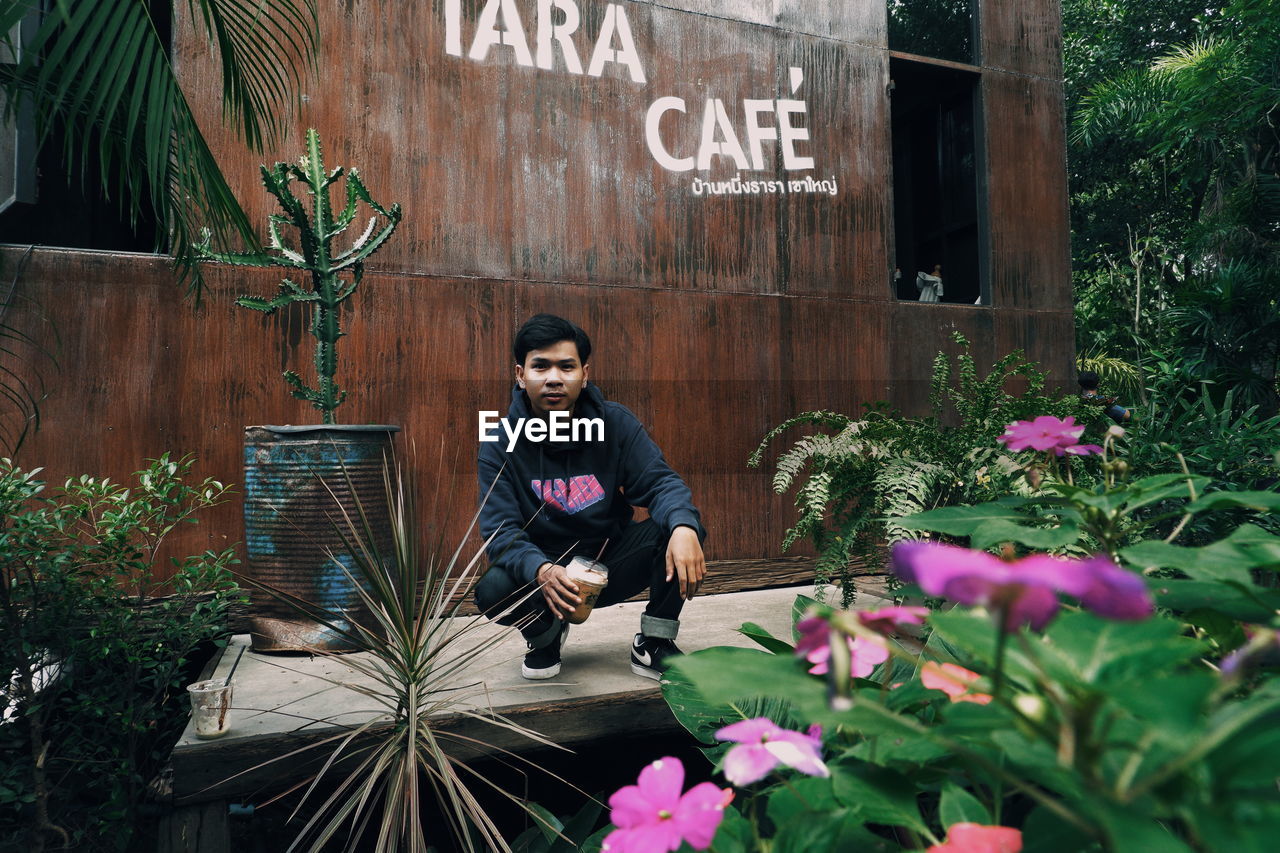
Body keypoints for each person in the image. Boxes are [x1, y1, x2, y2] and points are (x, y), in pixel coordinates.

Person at [474, 314, 708, 682]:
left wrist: (682, 526)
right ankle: (546, 637)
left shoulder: (615, 423)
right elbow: (500, 531)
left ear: (584, 374)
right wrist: (542, 570)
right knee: (493, 589)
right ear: (520, 375)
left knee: (682, 525)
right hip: (545, 576)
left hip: (609, 563)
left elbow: (661, 482)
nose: (554, 378)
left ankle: (654, 643)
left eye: (566, 366)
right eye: (541, 366)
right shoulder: (499, 442)